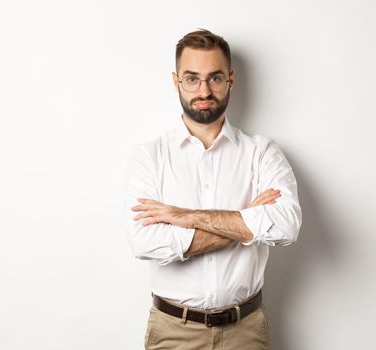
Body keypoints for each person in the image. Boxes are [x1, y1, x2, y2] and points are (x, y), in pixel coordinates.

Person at [124, 29, 302, 349]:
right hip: (173, 332)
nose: (204, 90)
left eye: (215, 78)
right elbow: (145, 242)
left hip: (245, 331)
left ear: (230, 80)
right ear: (177, 80)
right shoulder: (149, 156)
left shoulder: (262, 153)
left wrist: (186, 217)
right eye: (192, 78)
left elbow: (286, 225)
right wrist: (248, 219)